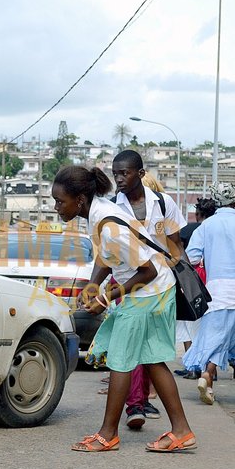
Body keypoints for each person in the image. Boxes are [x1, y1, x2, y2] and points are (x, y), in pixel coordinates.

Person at [52, 165, 195, 453]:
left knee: (120, 360)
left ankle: (108, 435)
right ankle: (182, 431)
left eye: (59, 201)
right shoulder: (99, 214)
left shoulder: (109, 226)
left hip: (149, 292)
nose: (56, 208)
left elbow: (147, 271)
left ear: (79, 200)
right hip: (155, 290)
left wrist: (106, 298)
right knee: (153, 360)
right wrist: (93, 285)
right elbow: (107, 258)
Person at [109, 150, 187, 430]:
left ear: (140, 174)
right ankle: (137, 408)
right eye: (115, 174)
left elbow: (176, 245)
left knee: (148, 356)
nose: (119, 179)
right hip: (128, 288)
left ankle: (114, 428)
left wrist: (180, 278)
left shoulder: (164, 203)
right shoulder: (112, 208)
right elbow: (106, 255)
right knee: (131, 355)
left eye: (124, 173)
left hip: (161, 288)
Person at [183, 182, 235, 406]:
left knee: (215, 338)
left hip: (216, 294)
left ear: (215, 201)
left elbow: (191, 258)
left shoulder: (206, 226)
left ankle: (207, 376)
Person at [174, 197, 218, 379]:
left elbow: (184, 257)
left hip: (192, 284)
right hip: (215, 283)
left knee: (188, 326)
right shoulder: (218, 230)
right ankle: (210, 368)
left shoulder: (189, 230)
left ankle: (192, 367)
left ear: (198, 214)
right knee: (209, 329)